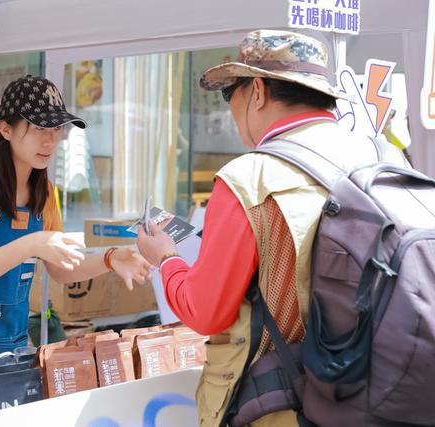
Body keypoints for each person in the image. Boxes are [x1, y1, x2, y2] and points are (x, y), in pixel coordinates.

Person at [137, 30, 407, 427]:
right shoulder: (386, 158)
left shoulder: (251, 179)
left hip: (283, 404)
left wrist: (166, 258)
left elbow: (206, 310)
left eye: (232, 93)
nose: (231, 107)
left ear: (258, 91)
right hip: (384, 390)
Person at [0, 75, 152, 365]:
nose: (50, 139)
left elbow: (62, 268)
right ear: (5, 129)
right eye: (40, 127)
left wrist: (109, 259)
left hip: (11, 348)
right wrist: (31, 244)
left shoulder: (44, 192)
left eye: (56, 128)